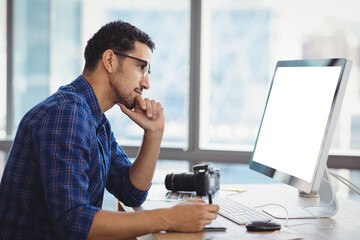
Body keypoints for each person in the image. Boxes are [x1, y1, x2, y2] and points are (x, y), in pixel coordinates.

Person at [0, 20, 219, 239]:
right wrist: (170, 217)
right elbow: (73, 221)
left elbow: (132, 192)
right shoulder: (66, 114)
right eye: (141, 67)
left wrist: (153, 134)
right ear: (110, 60)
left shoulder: (96, 120)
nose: (146, 83)